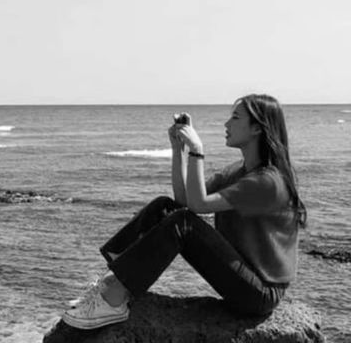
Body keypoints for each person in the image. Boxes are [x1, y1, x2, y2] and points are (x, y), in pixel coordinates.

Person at [62, 94, 305, 330]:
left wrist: (197, 149)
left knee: (183, 223)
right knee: (165, 206)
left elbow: (196, 207)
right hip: (244, 277)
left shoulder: (268, 181)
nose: (226, 123)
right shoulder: (239, 172)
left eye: (236, 118)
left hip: (259, 293)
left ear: (257, 129)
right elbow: (184, 201)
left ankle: (112, 299)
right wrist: (179, 150)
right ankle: (110, 285)